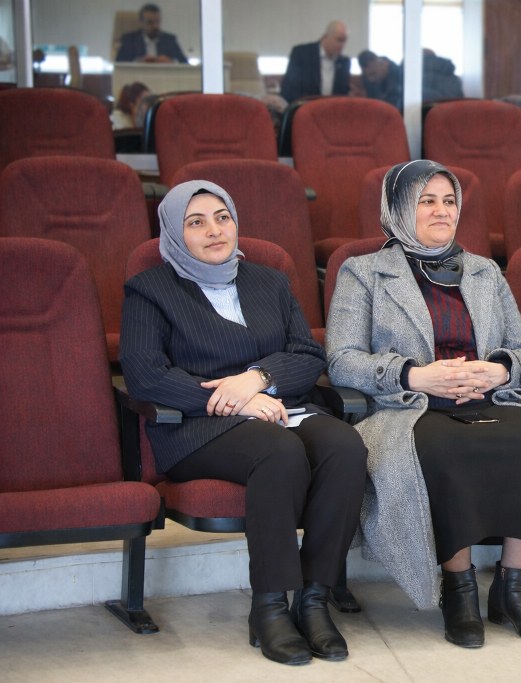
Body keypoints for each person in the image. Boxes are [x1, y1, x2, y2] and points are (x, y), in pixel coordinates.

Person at [326, 160, 521, 648]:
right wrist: (415, 375)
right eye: (426, 201)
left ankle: (513, 587)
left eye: (449, 201)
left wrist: (500, 370)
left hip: (487, 399)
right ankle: (459, 589)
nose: (442, 211)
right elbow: (342, 360)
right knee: (444, 449)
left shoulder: (485, 271)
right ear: (399, 209)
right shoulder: (363, 273)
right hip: (409, 408)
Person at [119, 180, 368, 665]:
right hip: (197, 427)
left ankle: (313, 601)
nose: (214, 230)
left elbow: (307, 355)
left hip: (279, 407)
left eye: (222, 218)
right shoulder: (149, 291)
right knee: (279, 451)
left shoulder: (269, 281)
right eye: (196, 223)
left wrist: (258, 379)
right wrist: (236, 402)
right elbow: (146, 376)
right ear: (174, 234)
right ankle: (269, 607)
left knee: (345, 446)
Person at [280, 20, 353, 102]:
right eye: (339, 40)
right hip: (304, 106)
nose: (342, 45)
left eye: (345, 41)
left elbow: (343, 94)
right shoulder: (302, 54)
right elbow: (289, 87)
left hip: (332, 107)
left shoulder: (344, 62)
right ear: (325, 37)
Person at [115, 4, 188, 64]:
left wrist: (171, 62)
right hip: (138, 76)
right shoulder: (129, 40)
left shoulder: (169, 40)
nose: (155, 26)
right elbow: (119, 65)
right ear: (141, 22)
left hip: (163, 76)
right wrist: (138, 63)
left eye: (157, 21)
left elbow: (185, 64)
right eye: (150, 22)